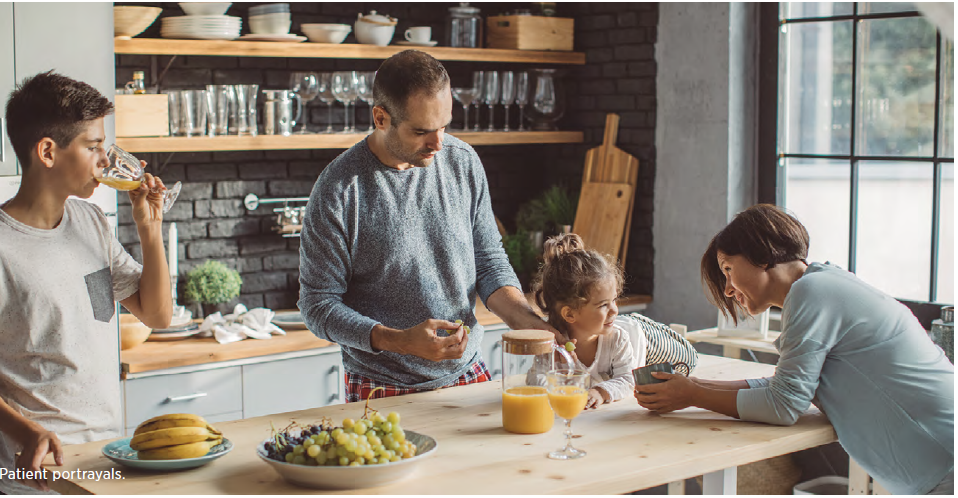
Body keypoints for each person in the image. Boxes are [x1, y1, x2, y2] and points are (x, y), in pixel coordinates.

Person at [633, 204, 954, 495]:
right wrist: (693, 388)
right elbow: (784, 390)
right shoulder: (822, 285)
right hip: (936, 459)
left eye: (728, 269)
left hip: (943, 458)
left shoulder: (811, 292)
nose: (728, 289)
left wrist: (692, 396)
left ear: (762, 255)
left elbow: (783, 405)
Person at [297, 50, 556, 403]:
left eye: (444, 126)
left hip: (469, 372)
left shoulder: (462, 162)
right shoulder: (339, 190)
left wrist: (528, 321)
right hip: (382, 385)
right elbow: (318, 306)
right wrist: (398, 340)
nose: (439, 144)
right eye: (421, 131)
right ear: (381, 117)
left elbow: (488, 261)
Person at [0, 71, 173, 494]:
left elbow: (157, 314)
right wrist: (27, 429)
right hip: (30, 472)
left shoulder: (91, 222)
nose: (105, 161)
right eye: (93, 147)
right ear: (48, 152)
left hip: (103, 458)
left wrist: (150, 228)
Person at [533, 234, 698, 409]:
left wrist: (600, 392)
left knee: (688, 362)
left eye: (614, 300)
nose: (614, 309)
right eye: (604, 305)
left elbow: (628, 379)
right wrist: (559, 386)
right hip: (613, 328)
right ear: (569, 314)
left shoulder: (618, 338)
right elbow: (535, 378)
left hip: (641, 334)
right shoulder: (553, 346)